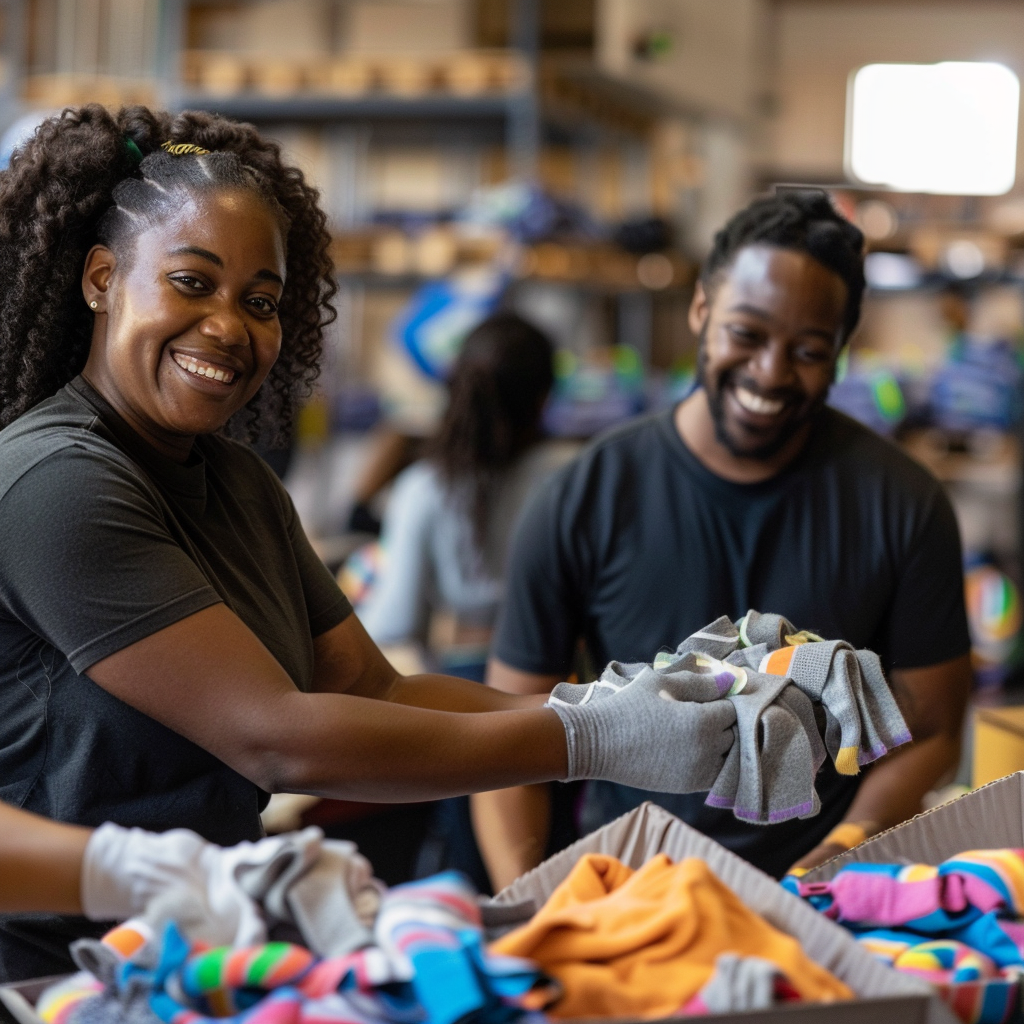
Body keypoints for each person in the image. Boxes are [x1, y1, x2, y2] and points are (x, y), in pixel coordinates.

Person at [0, 105, 702, 979]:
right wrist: (598, 744)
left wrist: (638, 708)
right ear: (102, 277)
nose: (229, 325)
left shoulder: (240, 484)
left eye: (261, 302)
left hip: (204, 966)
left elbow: (373, 689)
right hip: (52, 979)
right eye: (192, 282)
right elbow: (279, 736)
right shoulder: (50, 483)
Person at [471, 191, 972, 890]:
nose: (770, 371)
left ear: (840, 352)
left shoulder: (905, 504)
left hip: (820, 898)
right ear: (701, 311)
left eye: (807, 350)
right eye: (747, 333)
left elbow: (936, 730)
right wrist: (533, 903)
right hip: (626, 895)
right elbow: (507, 738)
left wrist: (839, 857)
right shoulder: (585, 496)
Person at [360, 310, 573, 678]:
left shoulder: (425, 487)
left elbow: (394, 624)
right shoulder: (579, 473)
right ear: (544, 397)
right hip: (569, 678)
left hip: (466, 684)